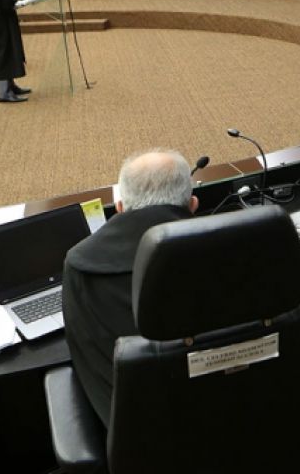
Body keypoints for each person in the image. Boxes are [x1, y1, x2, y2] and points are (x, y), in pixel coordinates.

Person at [62, 149, 199, 426]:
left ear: (120, 207)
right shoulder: (230, 251)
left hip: (138, 437)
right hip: (240, 422)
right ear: (193, 205)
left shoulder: (79, 265)